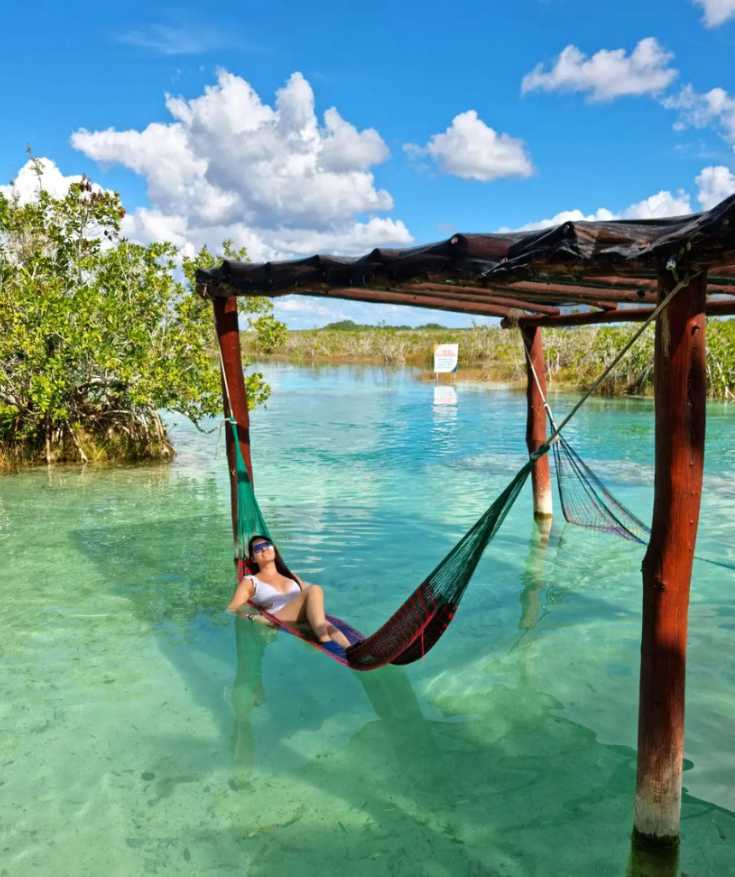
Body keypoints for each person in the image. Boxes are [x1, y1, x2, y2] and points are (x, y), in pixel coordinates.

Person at [227, 535, 351, 650]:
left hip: (302, 617)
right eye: (258, 548)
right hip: (278, 617)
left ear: (274, 549)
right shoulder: (251, 581)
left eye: (267, 544)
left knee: (325, 624)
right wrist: (254, 617)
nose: (264, 549)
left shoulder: (290, 576)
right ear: (253, 558)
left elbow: (310, 596)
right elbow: (232, 608)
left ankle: (350, 650)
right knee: (315, 589)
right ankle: (325, 641)